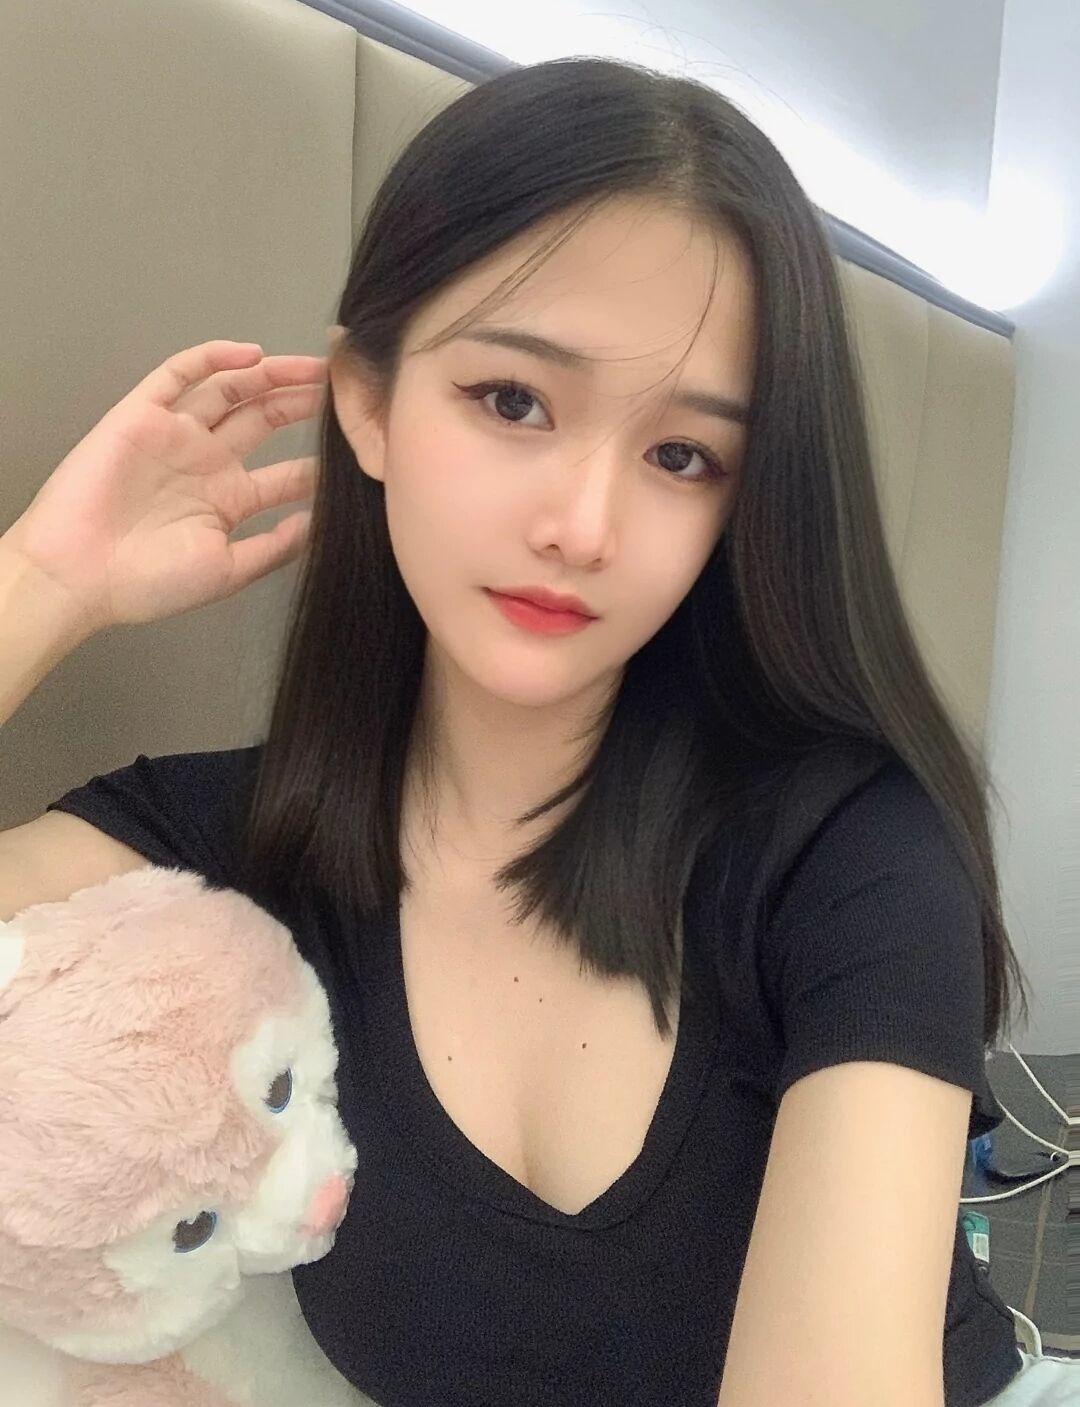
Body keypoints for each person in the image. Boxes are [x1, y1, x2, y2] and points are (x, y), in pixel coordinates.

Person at [2, 52, 1071, 1407]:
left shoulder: (849, 848)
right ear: (368, 402)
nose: (584, 524)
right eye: (514, 400)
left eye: (682, 455)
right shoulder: (232, 851)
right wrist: (41, 584)